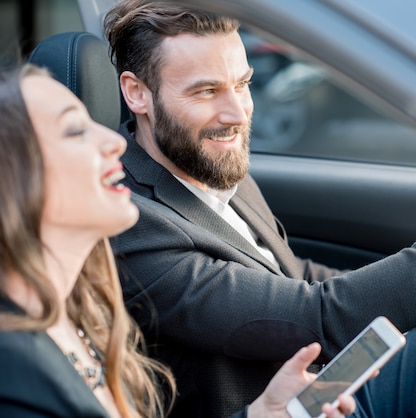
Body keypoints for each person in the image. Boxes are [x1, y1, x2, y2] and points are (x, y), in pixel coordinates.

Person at [103, 1, 416, 417]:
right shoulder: (133, 224)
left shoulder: (205, 158)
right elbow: (314, 318)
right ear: (137, 92)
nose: (237, 113)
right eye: (206, 92)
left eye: (242, 83)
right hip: (292, 407)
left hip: (323, 383)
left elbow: (294, 275)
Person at [0, 64, 356, 418]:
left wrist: (264, 413)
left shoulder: (81, 312)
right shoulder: (14, 377)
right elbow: (312, 311)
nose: (112, 141)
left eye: (243, 83)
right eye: (76, 130)